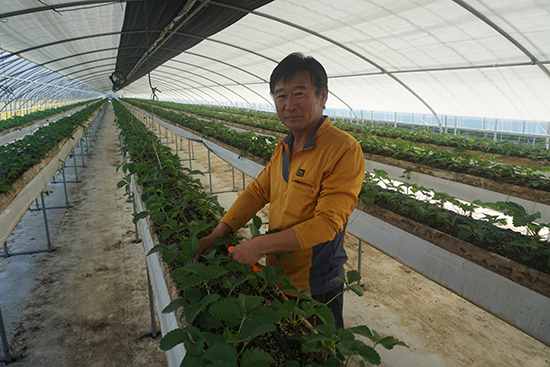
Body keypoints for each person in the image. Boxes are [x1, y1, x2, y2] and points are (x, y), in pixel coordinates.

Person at [194, 52, 365, 329]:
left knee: (320, 352)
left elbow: (328, 223)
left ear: (323, 96)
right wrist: (219, 233)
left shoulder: (343, 149)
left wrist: (259, 245)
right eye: (280, 95)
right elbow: (257, 194)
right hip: (278, 274)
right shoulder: (284, 147)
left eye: (299, 93)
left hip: (316, 283)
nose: (289, 105)